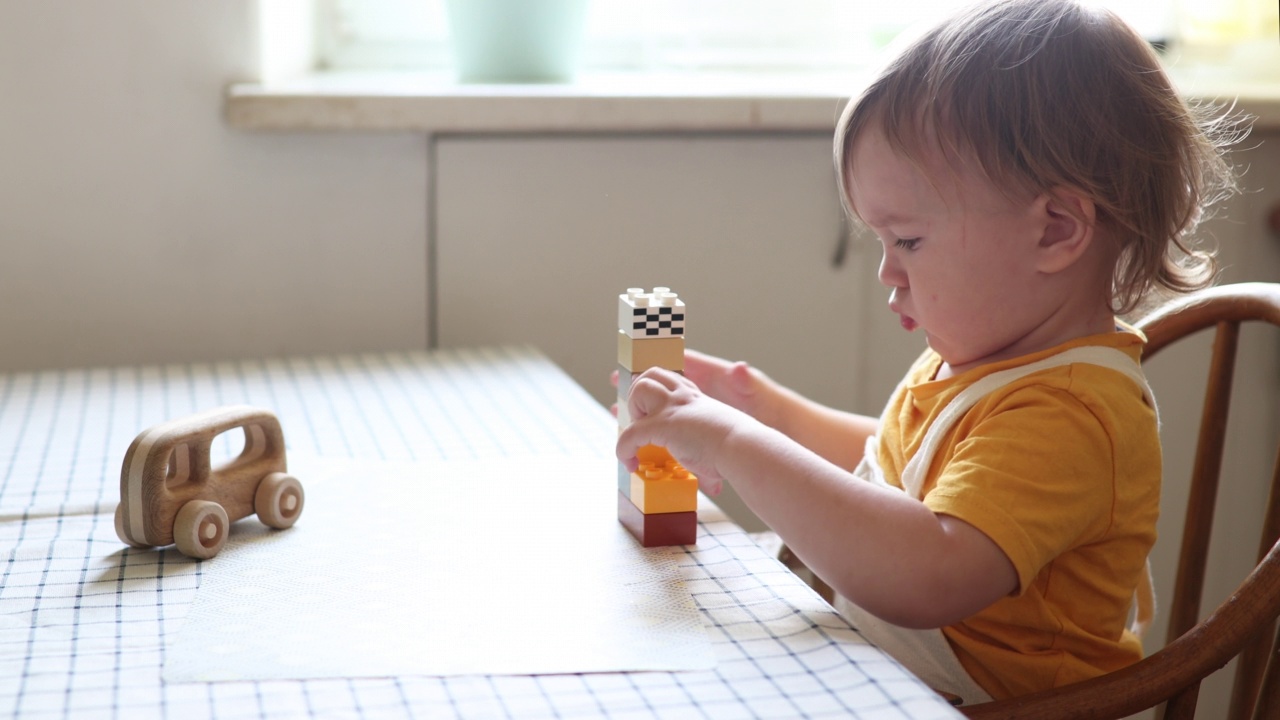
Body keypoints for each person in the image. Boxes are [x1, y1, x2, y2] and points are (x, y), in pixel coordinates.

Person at [614, 0, 1243, 704]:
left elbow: (924, 570)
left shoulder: (1071, 413)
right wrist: (764, 407)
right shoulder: (990, 358)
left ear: (1056, 230)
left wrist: (732, 440)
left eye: (907, 240)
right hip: (894, 683)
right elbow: (896, 473)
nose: (887, 270)